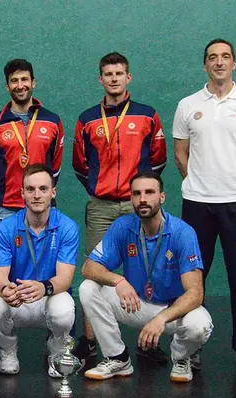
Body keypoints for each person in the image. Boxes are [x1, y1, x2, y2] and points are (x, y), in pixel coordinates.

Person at [173, 39, 236, 375]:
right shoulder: (188, 105)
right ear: (205, 65)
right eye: (212, 58)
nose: (219, 62)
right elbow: (180, 154)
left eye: (225, 57)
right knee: (191, 280)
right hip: (197, 206)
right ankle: (190, 346)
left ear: (234, 63)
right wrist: (198, 183)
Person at [71, 52, 168, 364]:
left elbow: (159, 160)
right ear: (100, 79)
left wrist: (137, 194)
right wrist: (99, 188)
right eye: (108, 74)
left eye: (119, 73)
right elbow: (80, 165)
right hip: (100, 206)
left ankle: (146, 343)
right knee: (95, 273)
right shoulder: (87, 119)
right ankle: (90, 343)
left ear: (129, 78)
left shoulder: (147, 115)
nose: (114, 78)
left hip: (136, 207)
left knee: (145, 271)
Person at [79, 171, 213, 383]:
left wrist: (161, 318)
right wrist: (119, 281)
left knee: (200, 326)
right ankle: (117, 358)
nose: (143, 199)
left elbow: (195, 294)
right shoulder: (123, 226)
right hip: (136, 305)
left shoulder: (182, 233)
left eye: (149, 192)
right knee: (88, 287)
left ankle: (180, 357)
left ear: (162, 197)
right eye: (137, 193)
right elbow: (88, 267)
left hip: (172, 313)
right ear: (131, 198)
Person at [0, 164, 78, 377]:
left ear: (53, 193)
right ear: (22, 193)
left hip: (48, 297)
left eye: (43, 189)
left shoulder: (68, 227)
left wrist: (44, 288)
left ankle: (57, 352)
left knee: (64, 310)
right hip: (17, 298)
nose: (37, 195)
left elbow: (65, 278)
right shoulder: (5, 228)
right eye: (31, 189)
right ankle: (7, 350)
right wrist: (5, 289)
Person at [0, 59, 64, 235]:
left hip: (44, 208)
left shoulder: (53, 122)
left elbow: (55, 168)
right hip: (5, 210)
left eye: (24, 79)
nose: (20, 85)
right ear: (7, 86)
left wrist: (40, 194)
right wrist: (5, 195)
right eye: (14, 80)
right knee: (4, 263)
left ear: (33, 82)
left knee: (45, 262)